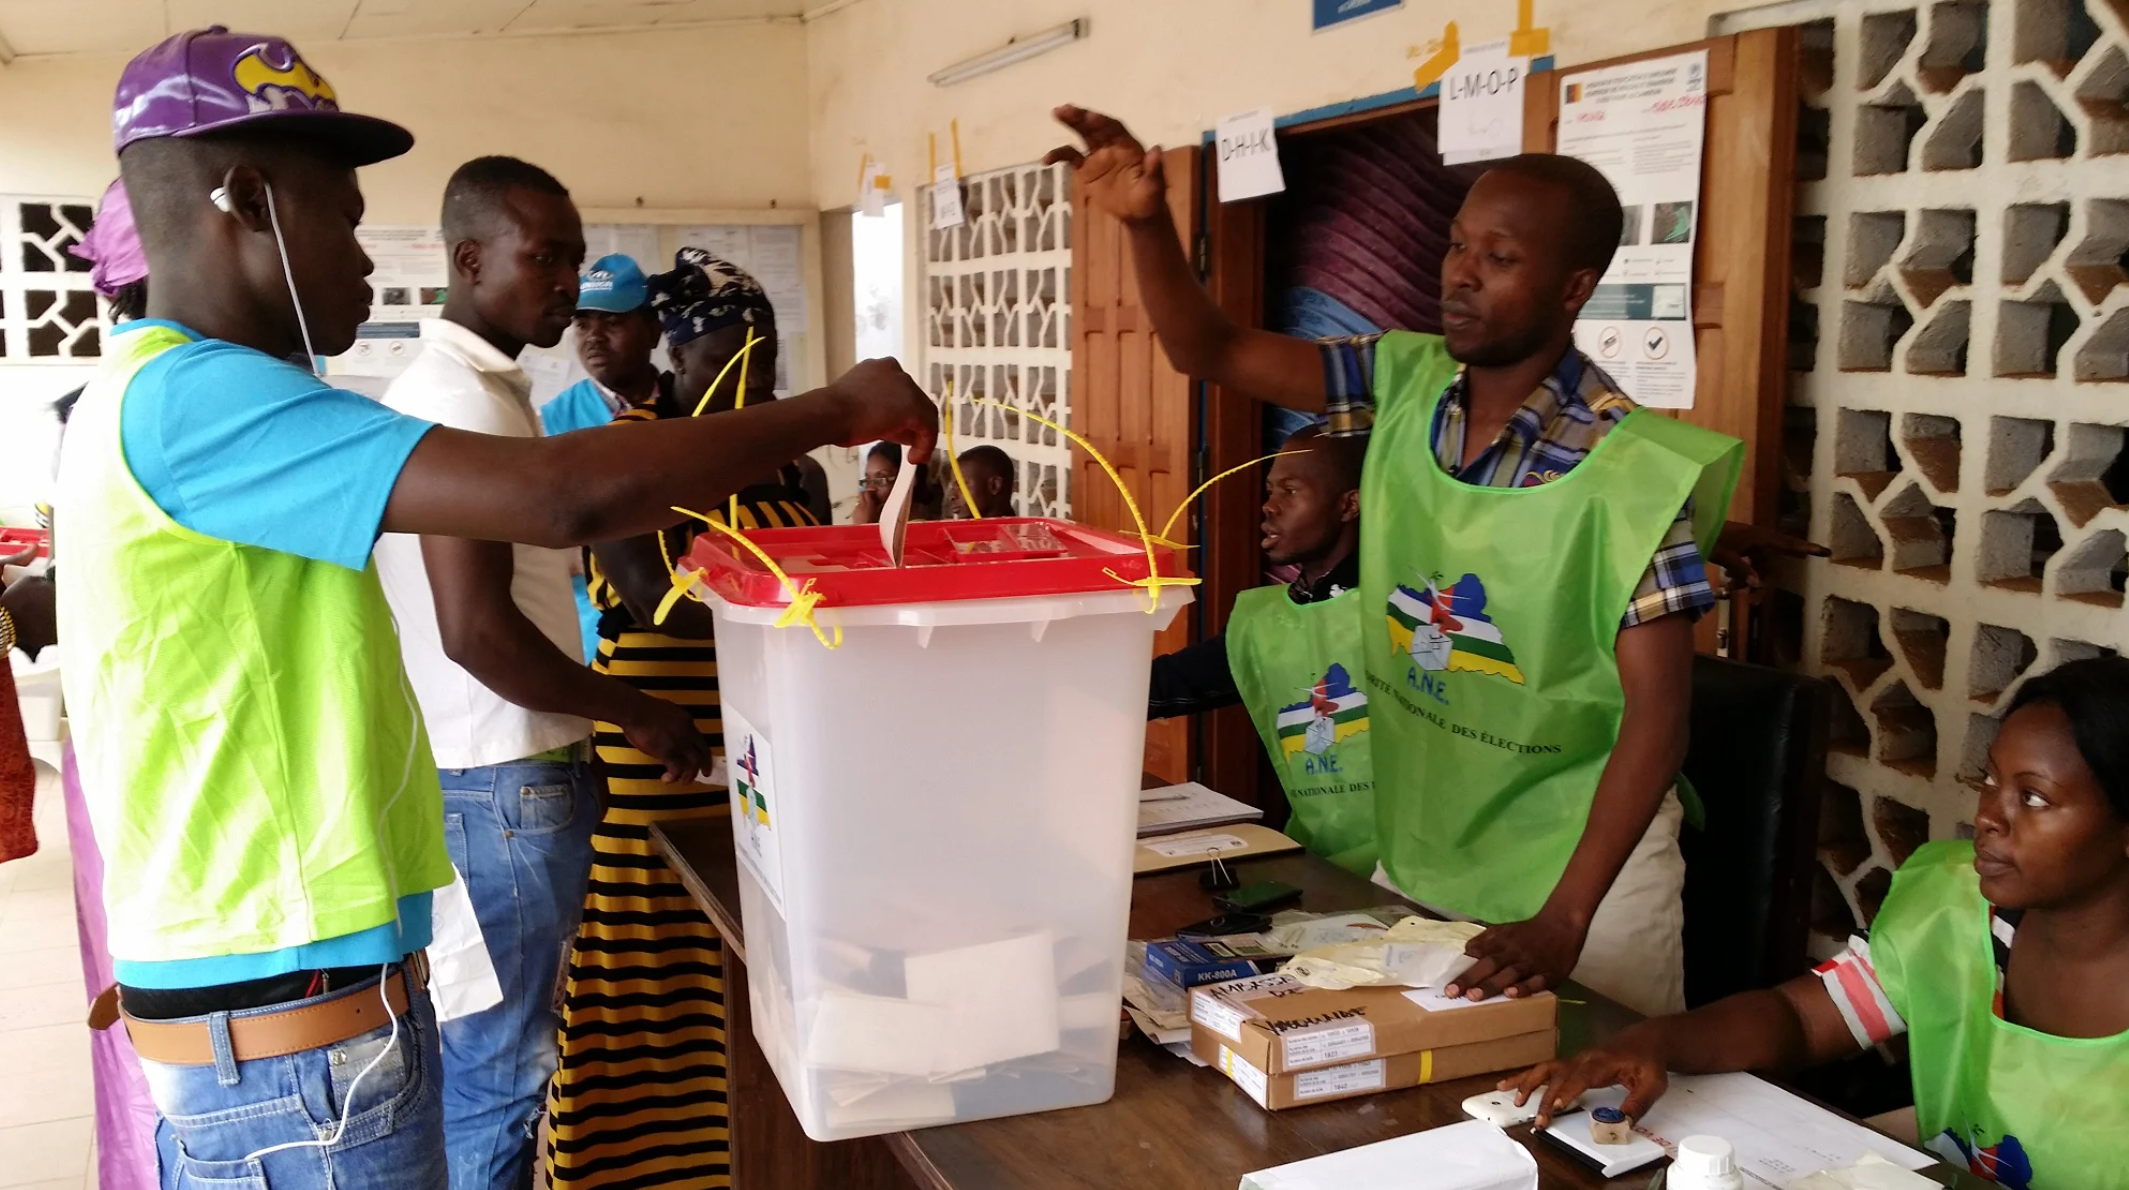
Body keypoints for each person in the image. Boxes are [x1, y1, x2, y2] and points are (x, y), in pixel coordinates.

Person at [59, 27, 933, 1190]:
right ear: (247, 199)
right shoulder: (192, 397)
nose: (371, 261)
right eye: (347, 218)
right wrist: (833, 404)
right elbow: (565, 502)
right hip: (289, 1027)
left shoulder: (181, 393)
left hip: (311, 999)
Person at [1050, 104, 1743, 1017]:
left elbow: (1659, 719)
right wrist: (1146, 225)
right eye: (1458, 247)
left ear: (1574, 288)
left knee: (1586, 1117)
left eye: (1499, 260)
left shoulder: (1633, 473)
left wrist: (1565, 918)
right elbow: (1207, 349)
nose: (1461, 276)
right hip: (1426, 846)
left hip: (1583, 876)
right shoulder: (1402, 382)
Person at [371, 156, 712, 1190]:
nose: (568, 281)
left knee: (494, 1066)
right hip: (500, 781)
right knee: (501, 1081)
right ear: (470, 260)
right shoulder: (458, 400)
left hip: (501, 773)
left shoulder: (486, 389)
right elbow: (477, 629)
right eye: (545, 257)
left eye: (572, 255)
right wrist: (635, 710)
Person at [1508, 656, 2129, 1189]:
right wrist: (1651, 1042)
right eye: (1992, 780)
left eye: (2035, 798)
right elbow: (1804, 1018)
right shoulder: (1955, 907)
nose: (1990, 815)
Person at [546, 247, 825, 1190]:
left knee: (750, 964)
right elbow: (659, 592)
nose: (747, 373)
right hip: (660, 754)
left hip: (764, 757)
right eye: (720, 355)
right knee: (649, 973)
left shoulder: (797, 466)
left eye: (763, 351)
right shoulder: (631, 449)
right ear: (676, 353)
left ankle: (744, 1164)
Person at [1148, 427, 1373, 874]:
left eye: (1291, 491)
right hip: (1321, 859)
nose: (1269, 506)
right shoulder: (1270, 619)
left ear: (1349, 504)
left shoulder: (1400, 610)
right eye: (1271, 490)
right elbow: (1176, 683)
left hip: (1425, 875)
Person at [536, 253, 667, 660]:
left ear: (652, 330)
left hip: (693, 627)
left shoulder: (689, 407)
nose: (593, 337)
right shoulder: (551, 422)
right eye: (582, 323)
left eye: (612, 322)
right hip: (596, 638)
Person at [853, 439, 943, 524]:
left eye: (880, 479)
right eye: (868, 480)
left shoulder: (918, 529)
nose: (870, 489)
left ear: (909, 481)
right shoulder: (888, 526)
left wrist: (864, 526)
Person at [944, 444, 1018, 519]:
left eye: (961, 484)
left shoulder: (1014, 530)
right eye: (953, 487)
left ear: (994, 485)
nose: (952, 496)